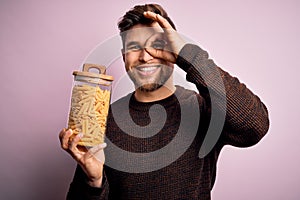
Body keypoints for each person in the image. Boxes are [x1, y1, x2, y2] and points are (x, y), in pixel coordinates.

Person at [59, 3, 269, 200]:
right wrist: (92, 181)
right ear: (124, 57)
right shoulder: (105, 119)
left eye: (157, 45)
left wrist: (189, 56)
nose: (145, 57)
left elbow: (255, 126)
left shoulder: (203, 108)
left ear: (174, 51)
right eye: (134, 47)